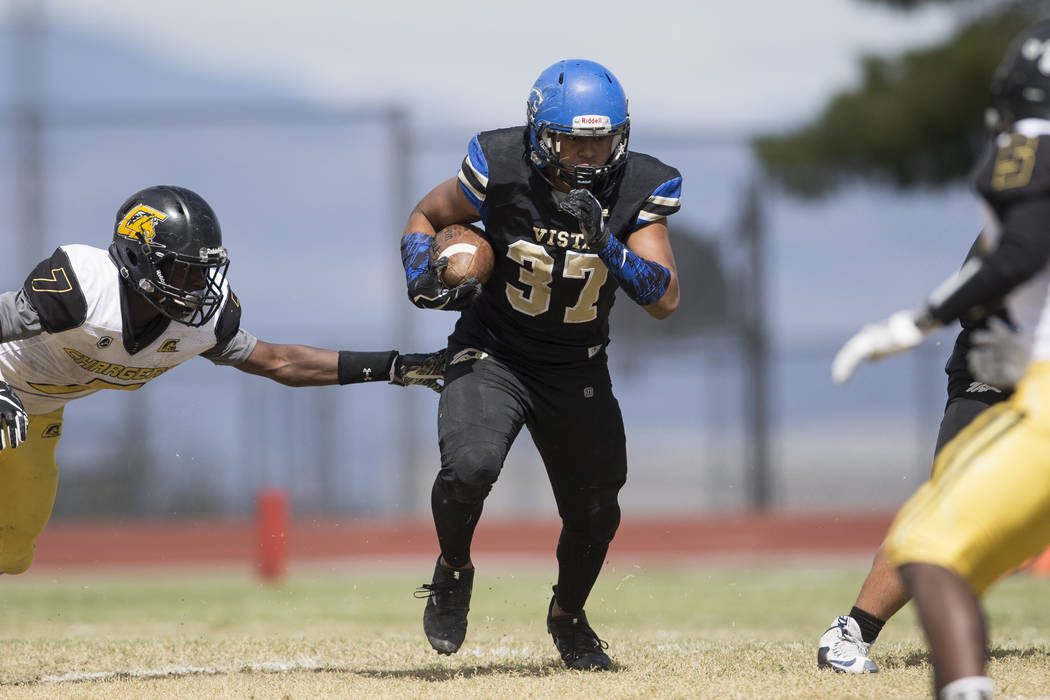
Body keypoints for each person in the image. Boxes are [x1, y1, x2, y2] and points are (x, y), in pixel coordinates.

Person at [0, 184, 445, 576]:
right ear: (136, 258)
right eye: (184, 269)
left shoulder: (198, 324)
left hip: (34, 414)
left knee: (14, 549)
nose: (199, 284)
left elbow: (278, 361)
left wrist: (393, 367)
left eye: (203, 269)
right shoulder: (82, 288)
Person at [400, 59, 682, 670]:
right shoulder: (499, 165)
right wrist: (420, 268)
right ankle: (453, 568)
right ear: (536, 135)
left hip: (576, 367)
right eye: (572, 142)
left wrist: (606, 239)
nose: (587, 158)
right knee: (470, 466)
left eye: (600, 141)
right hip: (495, 350)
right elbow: (427, 217)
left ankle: (568, 616)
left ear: (622, 136)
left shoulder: (640, 186)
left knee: (597, 510)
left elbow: (663, 297)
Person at [831, 20, 1050, 699]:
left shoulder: (1029, 146)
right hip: (1007, 367)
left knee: (932, 537)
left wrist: (915, 320)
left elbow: (1016, 252)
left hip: (1035, 380)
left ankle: (915, 664)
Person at [817, 242, 1012, 675]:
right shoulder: (1028, 203)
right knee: (945, 509)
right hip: (996, 374)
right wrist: (914, 324)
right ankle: (849, 634)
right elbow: (975, 296)